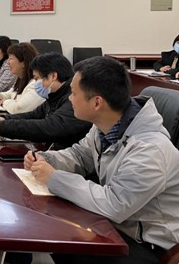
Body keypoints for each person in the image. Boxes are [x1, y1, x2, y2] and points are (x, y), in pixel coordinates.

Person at [27, 56, 179, 264]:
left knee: (63, 238)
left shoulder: (150, 150)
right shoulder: (105, 126)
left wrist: (54, 178)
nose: (70, 99)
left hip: (148, 246)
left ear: (97, 102)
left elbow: (115, 204)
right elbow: (80, 155)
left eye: (74, 93)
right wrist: (46, 159)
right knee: (56, 225)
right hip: (118, 225)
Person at [0, 52, 90, 150]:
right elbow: (35, 115)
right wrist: (5, 119)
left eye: (37, 79)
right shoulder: (55, 95)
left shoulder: (74, 99)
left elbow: (50, 126)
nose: (36, 83)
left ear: (53, 76)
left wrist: (4, 128)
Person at [0, 42, 45, 114]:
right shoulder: (21, 79)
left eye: (11, 58)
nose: (8, 62)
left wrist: (4, 102)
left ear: (23, 63)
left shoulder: (36, 84)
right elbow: (9, 94)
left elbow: (18, 109)